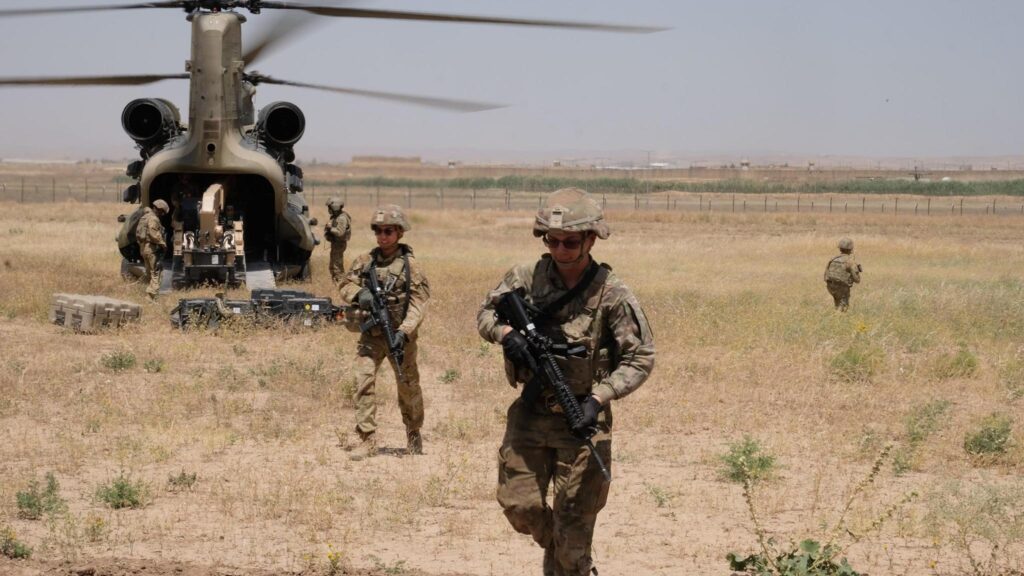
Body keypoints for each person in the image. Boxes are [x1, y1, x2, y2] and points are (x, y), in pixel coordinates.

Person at [476, 188, 655, 576]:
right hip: (531, 412)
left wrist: (598, 398)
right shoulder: (525, 277)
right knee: (520, 508)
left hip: (582, 418)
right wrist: (506, 334)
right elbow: (486, 314)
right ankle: (565, 548)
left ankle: (573, 560)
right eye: (552, 240)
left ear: (591, 239)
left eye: (570, 242)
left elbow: (640, 357)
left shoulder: (611, 292)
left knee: (573, 535)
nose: (560, 249)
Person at [338, 205, 430, 461]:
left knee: (408, 386)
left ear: (400, 232)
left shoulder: (411, 267)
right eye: (378, 231)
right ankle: (367, 439)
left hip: (400, 337)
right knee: (363, 381)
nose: (382, 236)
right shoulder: (365, 261)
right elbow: (344, 284)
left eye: (388, 231)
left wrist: (404, 332)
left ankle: (413, 432)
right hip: (371, 335)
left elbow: (418, 305)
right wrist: (359, 293)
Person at [136, 199, 169, 300]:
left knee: (149, 272)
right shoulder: (153, 219)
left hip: (144, 248)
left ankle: (148, 292)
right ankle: (151, 297)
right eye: (162, 212)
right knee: (156, 273)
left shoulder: (146, 216)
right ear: (159, 209)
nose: (162, 214)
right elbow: (153, 233)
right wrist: (163, 244)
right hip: (151, 248)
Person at [824, 237, 862, 311]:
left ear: (840, 248)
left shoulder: (833, 259)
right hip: (842, 288)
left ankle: (836, 315)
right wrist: (853, 270)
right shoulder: (850, 261)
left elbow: (825, 275)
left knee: (837, 304)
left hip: (830, 286)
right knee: (843, 307)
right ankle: (838, 317)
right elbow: (857, 280)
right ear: (851, 249)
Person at [324, 197, 352, 283]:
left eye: (329, 207)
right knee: (333, 267)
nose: (328, 209)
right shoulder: (336, 217)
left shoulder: (341, 218)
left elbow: (340, 232)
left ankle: (341, 284)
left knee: (337, 268)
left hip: (339, 244)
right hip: (336, 244)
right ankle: (336, 284)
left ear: (335, 207)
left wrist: (330, 228)